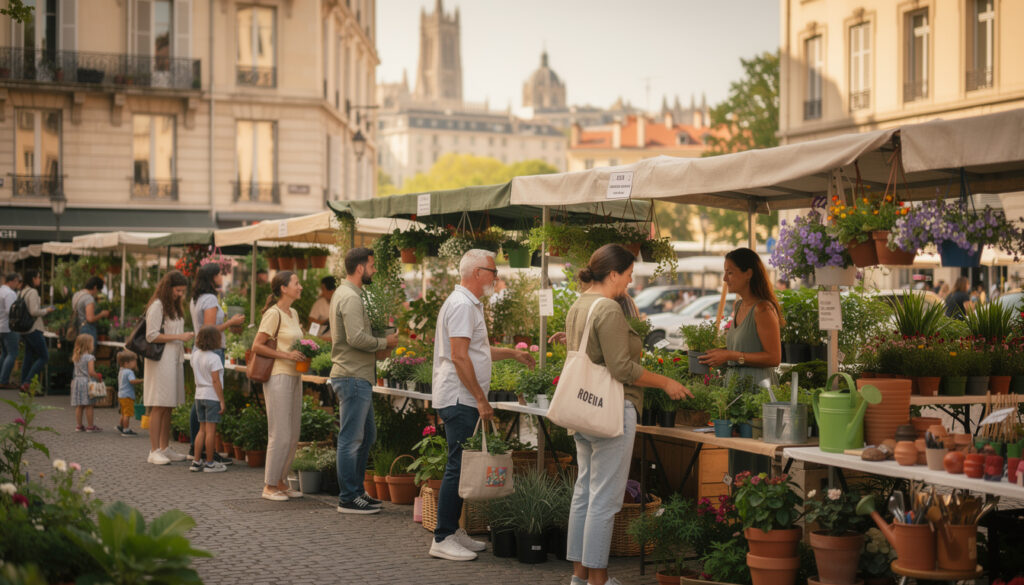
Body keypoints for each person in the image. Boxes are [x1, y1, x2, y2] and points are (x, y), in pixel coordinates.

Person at [562, 244, 690, 585]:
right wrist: (665, 382)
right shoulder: (607, 309)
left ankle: (580, 578)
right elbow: (621, 368)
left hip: (584, 409)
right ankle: (599, 581)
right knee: (604, 499)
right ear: (614, 273)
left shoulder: (579, 305)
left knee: (585, 493)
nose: (630, 283)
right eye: (629, 275)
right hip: (612, 410)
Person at [429, 249, 536, 561]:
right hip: (461, 398)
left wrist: (512, 353)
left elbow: (477, 349)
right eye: (493, 270)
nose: (496, 276)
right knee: (457, 467)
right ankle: (443, 536)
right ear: (477, 273)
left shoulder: (465, 303)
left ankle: (452, 530)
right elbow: (460, 356)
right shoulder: (463, 305)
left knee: (460, 467)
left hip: (460, 396)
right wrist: (480, 398)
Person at [330, 248, 398, 514]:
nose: (374, 270)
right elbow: (356, 338)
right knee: (351, 438)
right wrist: (385, 342)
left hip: (357, 376)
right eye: (372, 265)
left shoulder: (348, 294)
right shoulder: (350, 297)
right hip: (352, 376)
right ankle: (348, 497)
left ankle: (357, 491)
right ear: (360, 268)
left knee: (367, 435)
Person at [252, 270, 307, 501]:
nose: (300, 286)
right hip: (278, 376)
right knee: (280, 433)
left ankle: (282, 481)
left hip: (295, 376)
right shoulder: (274, 314)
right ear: (283, 288)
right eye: (296, 283)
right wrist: (285, 355)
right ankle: (269, 485)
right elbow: (257, 345)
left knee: (293, 433)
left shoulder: (293, 313)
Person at [699, 248, 783, 389]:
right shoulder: (738, 305)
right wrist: (716, 354)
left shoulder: (763, 309)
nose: (725, 279)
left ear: (748, 274)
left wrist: (729, 355)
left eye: (730, 273)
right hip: (736, 386)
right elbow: (742, 348)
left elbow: (774, 358)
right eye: (725, 273)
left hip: (757, 387)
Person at [188, 263, 243, 465]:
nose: (222, 276)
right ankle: (205, 453)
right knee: (208, 400)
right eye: (220, 273)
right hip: (211, 349)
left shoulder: (197, 298)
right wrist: (231, 322)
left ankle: (197, 449)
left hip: (198, 350)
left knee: (199, 399)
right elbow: (210, 329)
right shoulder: (210, 298)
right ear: (212, 277)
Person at [143, 270, 193, 466]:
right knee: (158, 403)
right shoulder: (157, 306)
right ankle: (153, 450)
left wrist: (181, 339)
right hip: (161, 360)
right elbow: (151, 335)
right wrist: (179, 338)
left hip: (173, 359)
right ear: (168, 288)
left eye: (182, 291)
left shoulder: (174, 306)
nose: (180, 294)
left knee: (168, 404)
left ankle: (164, 447)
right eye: (178, 290)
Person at [189, 325, 228, 473]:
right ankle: (210, 463)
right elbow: (216, 381)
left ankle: (196, 461)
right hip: (212, 397)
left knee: (202, 430)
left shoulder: (195, 355)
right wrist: (222, 401)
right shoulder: (215, 358)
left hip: (199, 395)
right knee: (211, 431)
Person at [18, 270, 54, 392]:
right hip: (34, 328)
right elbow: (33, 311)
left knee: (28, 356)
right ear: (33, 279)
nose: (40, 279)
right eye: (38, 277)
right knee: (44, 356)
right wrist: (46, 311)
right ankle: (27, 382)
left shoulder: (22, 291)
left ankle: (23, 383)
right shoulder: (32, 292)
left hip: (25, 329)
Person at [70, 333, 103, 432]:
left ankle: (79, 426)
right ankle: (90, 426)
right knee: (89, 405)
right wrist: (98, 376)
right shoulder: (89, 357)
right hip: (86, 382)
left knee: (79, 405)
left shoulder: (76, 357)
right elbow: (91, 372)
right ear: (88, 344)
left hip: (77, 381)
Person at [73, 276, 110, 345]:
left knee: (81, 352)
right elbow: (90, 318)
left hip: (78, 327)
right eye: (98, 290)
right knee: (88, 353)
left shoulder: (77, 295)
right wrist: (102, 314)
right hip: (87, 330)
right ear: (95, 287)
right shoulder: (89, 298)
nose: (97, 293)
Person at [0, 272, 22, 388]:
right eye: (17, 282)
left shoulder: (1, 291)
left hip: (1, 326)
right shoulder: (9, 293)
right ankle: (3, 380)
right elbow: (11, 311)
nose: (17, 285)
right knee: (12, 353)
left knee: (4, 353)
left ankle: (1, 378)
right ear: (12, 281)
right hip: (9, 327)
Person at [116, 350, 143, 437]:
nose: (135, 363)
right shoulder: (129, 372)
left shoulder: (121, 370)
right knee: (127, 413)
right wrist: (142, 380)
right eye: (134, 361)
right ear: (126, 363)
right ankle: (126, 430)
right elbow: (132, 381)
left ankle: (121, 426)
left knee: (124, 412)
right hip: (127, 396)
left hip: (121, 395)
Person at [309, 275, 337, 339]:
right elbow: (311, 320)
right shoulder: (319, 303)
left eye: (323, 289)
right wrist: (325, 322)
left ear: (331, 290)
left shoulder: (341, 302)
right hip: (323, 339)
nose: (321, 292)